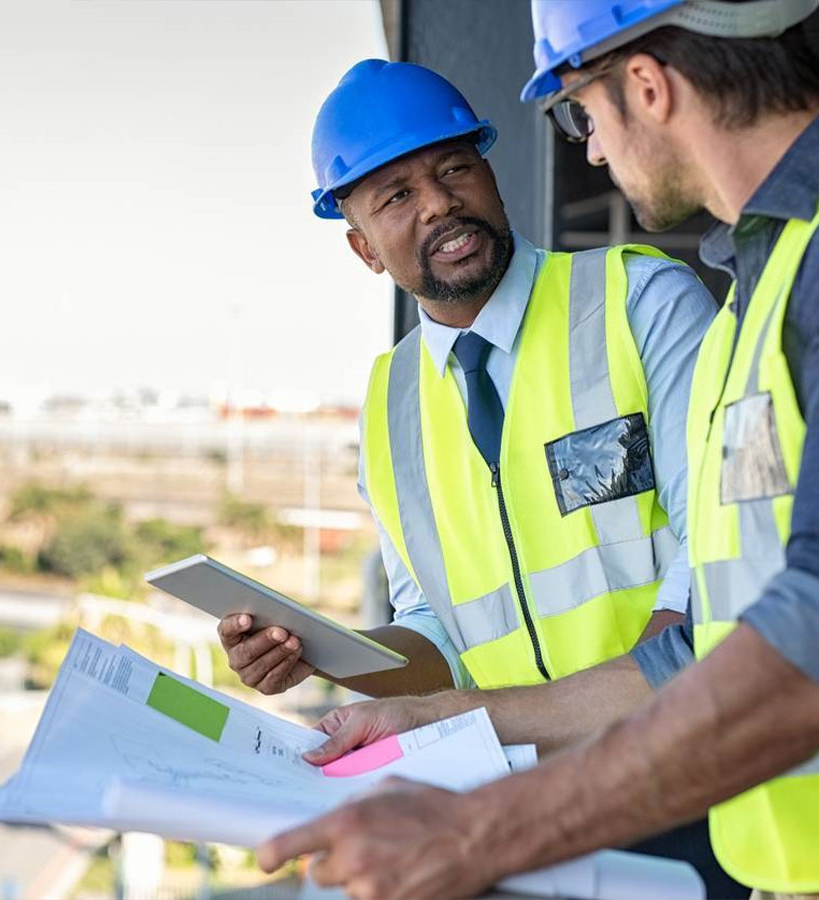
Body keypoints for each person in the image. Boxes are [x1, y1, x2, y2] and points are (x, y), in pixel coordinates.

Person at [256, 1, 819, 897]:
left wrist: (483, 831)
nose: (588, 148)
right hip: (797, 857)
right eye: (396, 195)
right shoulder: (769, 285)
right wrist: (427, 712)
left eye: (579, 112)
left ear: (647, 86)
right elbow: (704, 645)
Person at [218, 59, 715, 705]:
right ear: (365, 250)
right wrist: (320, 655)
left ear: (490, 176)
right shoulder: (390, 404)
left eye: (455, 168)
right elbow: (439, 637)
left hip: (683, 736)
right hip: (524, 777)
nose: (440, 203)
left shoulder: (638, 302)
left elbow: (719, 539)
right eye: (396, 195)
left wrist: (627, 722)